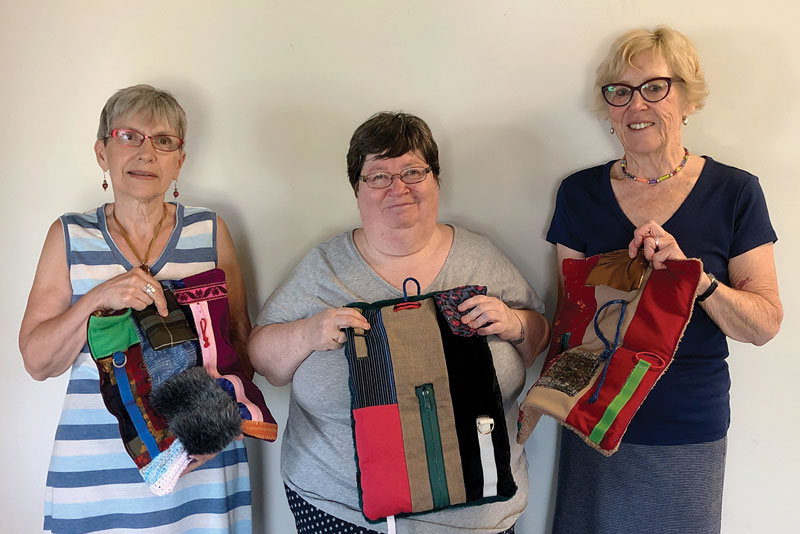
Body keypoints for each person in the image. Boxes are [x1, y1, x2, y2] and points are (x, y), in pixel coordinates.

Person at [249, 112, 550, 534]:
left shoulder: (480, 257)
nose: (399, 188)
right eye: (378, 176)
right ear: (357, 189)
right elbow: (264, 361)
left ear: (435, 180)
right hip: (340, 510)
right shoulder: (325, 267)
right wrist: (307, 333)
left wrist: (516, 323)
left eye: (413, 171)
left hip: (478, 513)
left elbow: (538, 341)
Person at [546, 27, 783, 534]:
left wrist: (695, 280)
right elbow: (568, 319)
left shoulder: (734, 192)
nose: (637, 104)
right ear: (608, 108)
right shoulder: (578, 193)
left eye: (655, 87)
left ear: (688, 98)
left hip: (684, 427)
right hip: (592, 418)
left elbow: (763, 325)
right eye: (620, 91)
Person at [19, 84, 254, 533]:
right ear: (101, 152)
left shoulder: (209, 231)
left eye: (163, 141)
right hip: (95, 479)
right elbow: (36, 360)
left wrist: (213, 429)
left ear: (178, 161)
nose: (147, 152)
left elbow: (240, 343)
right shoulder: (69, 236)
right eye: (129, 136)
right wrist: (97, 297)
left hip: (200, 468)